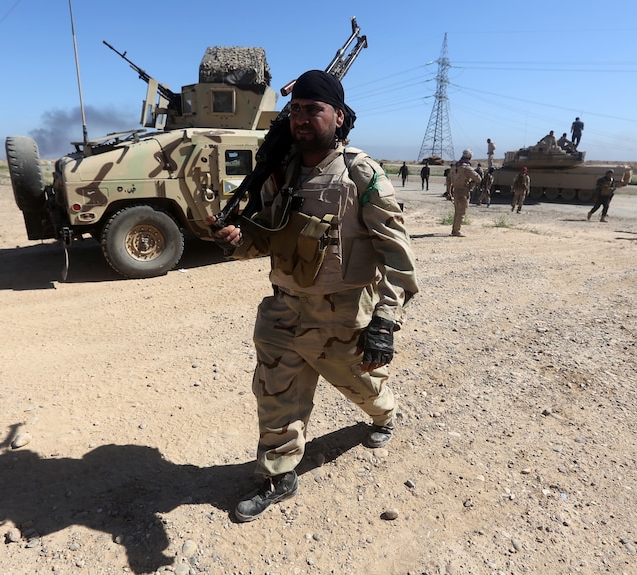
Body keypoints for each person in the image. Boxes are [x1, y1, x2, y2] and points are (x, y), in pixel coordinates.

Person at [206, 70, 419, 522]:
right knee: (275, 395)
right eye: (296, 109)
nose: (302, 118)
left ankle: (385, 414)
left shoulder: (361, 173)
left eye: (314, 109)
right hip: (283, 311)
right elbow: (265, 238)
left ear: (338, 117)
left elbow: (397, 254)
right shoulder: (278, 173)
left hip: (342, 315)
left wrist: (385, 320)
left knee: (361, 386)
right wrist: (234, 239)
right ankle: (278, 475)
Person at [447, 149, 482, 237]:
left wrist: (448, 192)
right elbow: (478, 179)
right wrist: (471, 184)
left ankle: (454, 229)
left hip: (455, 191)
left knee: (457, 211)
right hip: (463, 191)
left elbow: (448, 179)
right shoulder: (467, 168)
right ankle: (456, 230)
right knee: (461, 211)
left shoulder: (454, 166)